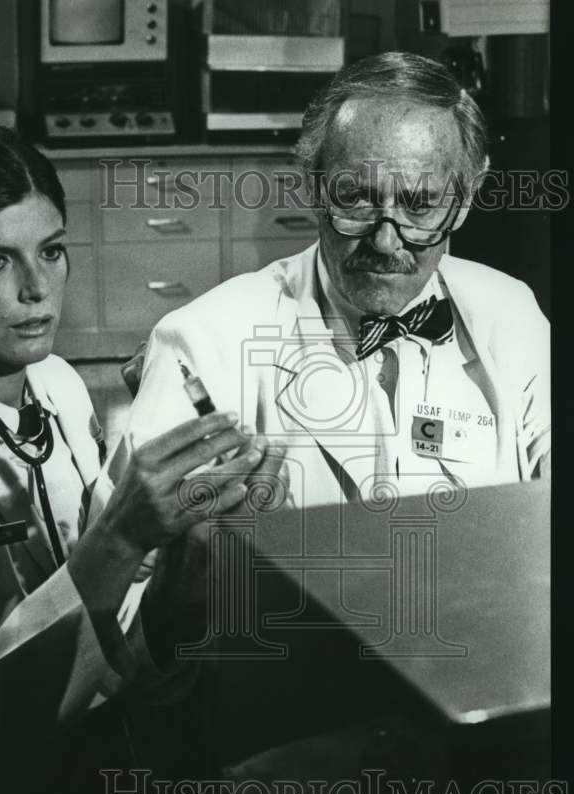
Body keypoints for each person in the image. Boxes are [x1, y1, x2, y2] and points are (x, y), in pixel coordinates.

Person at [0, 122, 279, 794]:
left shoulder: (60, 387)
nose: (36, 289)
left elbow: (116, 622)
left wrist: (189, 550)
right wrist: (122, 534)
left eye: (51, 251)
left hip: (97, 762)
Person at [94, 51, 550, 515]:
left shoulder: (509, 314)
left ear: (467, 197)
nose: (387, 241)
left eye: (419, 205)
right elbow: (126, 569)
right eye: (354, 199)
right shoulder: (205, 339)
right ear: (313, 188)